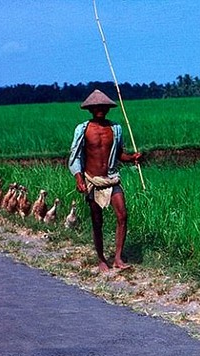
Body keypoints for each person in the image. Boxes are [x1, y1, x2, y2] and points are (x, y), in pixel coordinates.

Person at [68, 89, 141, 272]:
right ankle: (101, 259)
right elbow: (74, 156)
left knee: (122, 215)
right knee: (97, 220)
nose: (100, 109)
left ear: (107, 108)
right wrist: (79, 178)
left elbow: (119, 155)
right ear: (91, 109)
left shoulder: (115, 129)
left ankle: (117, 258)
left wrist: (132, 157)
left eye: (103, 106)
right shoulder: (83, 129)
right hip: (93, 180)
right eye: (96, 107)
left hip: (111, 179)